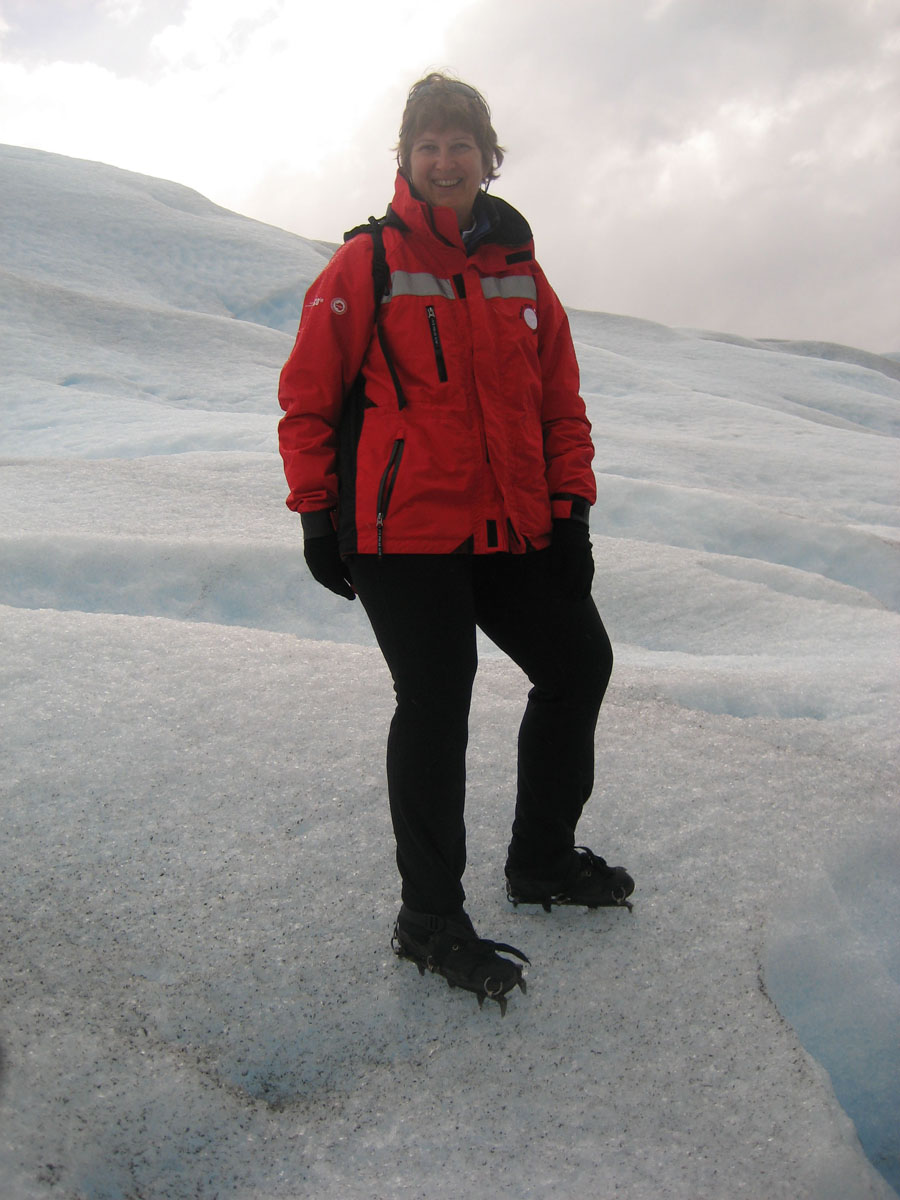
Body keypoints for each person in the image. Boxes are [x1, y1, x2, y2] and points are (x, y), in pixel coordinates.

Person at [278, 72, 634, 1012]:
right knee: (437, 700)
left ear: (487, 158)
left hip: (510, 523)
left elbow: (559, 401)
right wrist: (317, 515)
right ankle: (430, 918)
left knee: (578, 665)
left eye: (460, 145)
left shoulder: (521, 270)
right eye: (428, 146)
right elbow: (308, 399)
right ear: (406, 160)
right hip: (401, 530)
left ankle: (541, 860)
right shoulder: (366, 264)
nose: (445, 161)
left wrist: (571, 510)